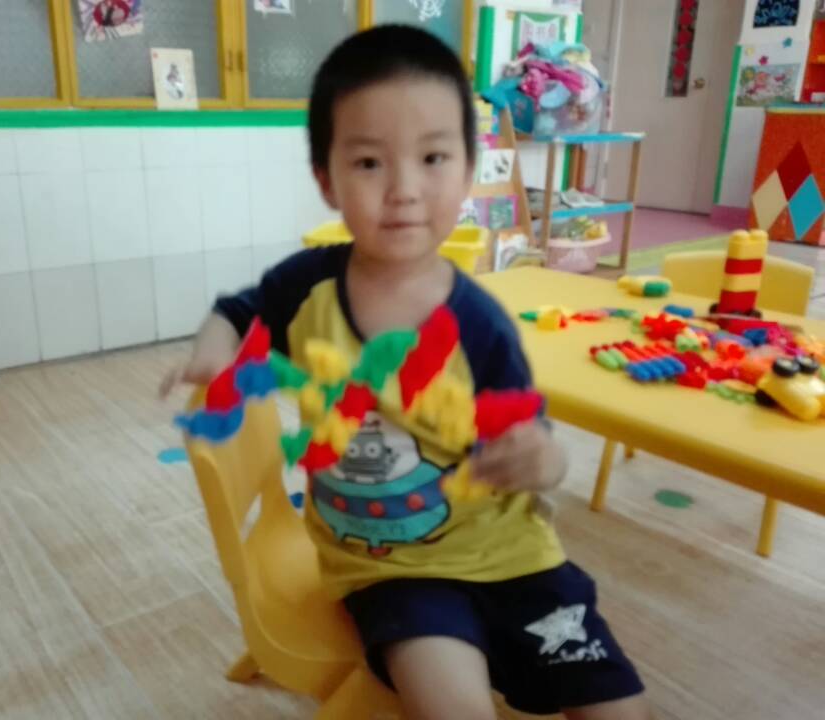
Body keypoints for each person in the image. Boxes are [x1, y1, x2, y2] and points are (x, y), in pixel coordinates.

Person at [161, 25, 652, 720]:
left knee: (620, 711)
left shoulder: (479, 324)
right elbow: (236, 311)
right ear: (326, 180)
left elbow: (532, 440)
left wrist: (542, 460)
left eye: (432, 157)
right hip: (389, 568)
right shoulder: (307, 288)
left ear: (467, 171)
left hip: (515, 557)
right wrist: (215, 352)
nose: (404, 190)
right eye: (369, 163)